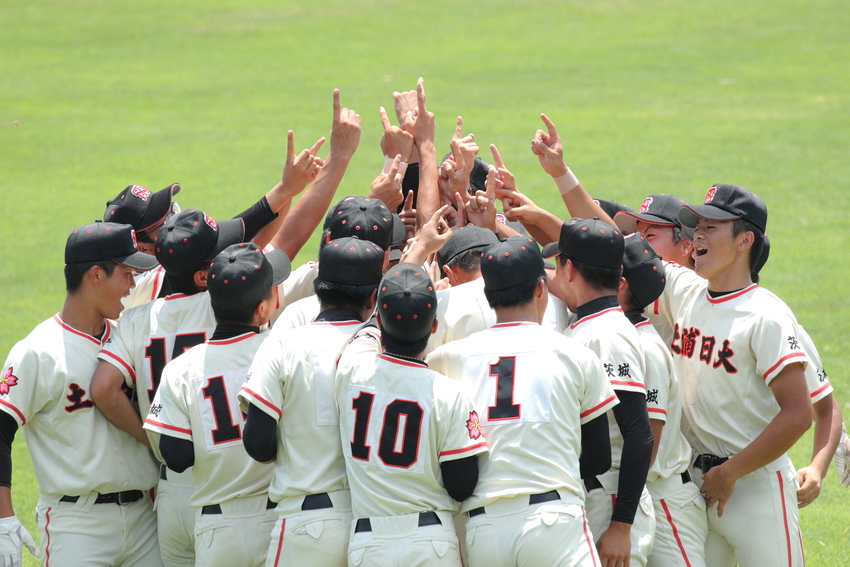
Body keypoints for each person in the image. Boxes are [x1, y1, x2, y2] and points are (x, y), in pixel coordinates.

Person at [427, 236, 618, 567]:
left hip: (483, 529)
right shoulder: (574, 354)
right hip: (554, 521)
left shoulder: (448, 358)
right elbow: (599, 457)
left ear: (488, 296)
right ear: (541, 289)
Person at [0, 221, 162, 566]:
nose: (133, 284)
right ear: (95, 276)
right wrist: (3, 519)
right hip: (76, 525)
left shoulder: (127, 337)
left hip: (145, 519)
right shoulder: (38, 352)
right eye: (126, 273)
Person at [667, 184, 811, 566]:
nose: (697, 233)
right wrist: (561, 174)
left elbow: (799, 413)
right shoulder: (685, 292)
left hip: (754, 485)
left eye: (712, 226)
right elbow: (615, 247)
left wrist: (730, 472)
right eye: (696, 224)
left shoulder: (766, 316)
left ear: (745, 239)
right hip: (698, 485)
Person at [238, 237, 385, 567]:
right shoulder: (383, 347)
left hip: (309, 525)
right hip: (378, 524)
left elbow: (258, 443)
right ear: (374, 296)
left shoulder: (285, 343)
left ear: (318, 289)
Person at [143, 242, 291, 567]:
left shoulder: (183, 367)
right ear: (263, 309)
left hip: (217, 528)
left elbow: (177, 457)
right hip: (279, 518)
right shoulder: (282, 350)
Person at [335, 263, 488, 567]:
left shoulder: (351, 372)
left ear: (379, 320)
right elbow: (461, 486)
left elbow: (363, 336)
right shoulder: (449, 393)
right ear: (434, 327)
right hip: (430, 542)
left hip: (369, 542)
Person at [546, 217, 656, 566]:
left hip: (609, 500)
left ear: (571, 270)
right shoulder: (588, 324)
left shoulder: (605, 334)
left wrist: (621, 525)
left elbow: (639, 435)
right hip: (595, 496)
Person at [618, 233, 707, 567]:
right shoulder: (621, 333)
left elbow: (648, 439)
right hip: (642, 491)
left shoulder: (646, 347)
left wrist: (620, 514)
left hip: (665, 496)